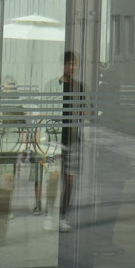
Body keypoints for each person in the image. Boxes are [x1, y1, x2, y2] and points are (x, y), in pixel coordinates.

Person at [58, 51, 83, 233]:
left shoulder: (79, 87)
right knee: (53, 179)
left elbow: (84, 111)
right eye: (69, 64)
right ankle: (51, 215)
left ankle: (63, 216)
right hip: (55, 139)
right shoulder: (56, 85)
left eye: (74, 64)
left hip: (72, 139)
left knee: (69, 179)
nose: (72, 67)